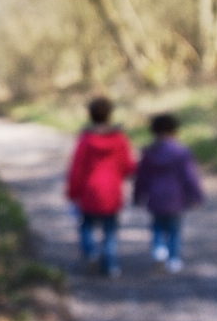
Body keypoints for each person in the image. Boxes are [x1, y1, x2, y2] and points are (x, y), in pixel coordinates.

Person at [66, 96, 136, 277]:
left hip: (89, 190)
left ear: (90, 115)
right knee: (110, 230)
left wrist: (73, 192)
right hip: (112, 191)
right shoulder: (120, 139)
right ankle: (111, 265)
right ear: (110, 114)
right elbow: (128, 166)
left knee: (86, 225)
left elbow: (77, 168)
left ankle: (90, 252)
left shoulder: (86, 140)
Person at [133, 113, 204, 274]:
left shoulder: (149, 153)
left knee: (157, 226)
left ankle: (159, 251)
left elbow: (141, 177)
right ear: (175, 130)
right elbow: (190, 176)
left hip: (155, 197)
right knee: (174, 230)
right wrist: (196, 195)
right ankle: (174, 259)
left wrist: (138, 196)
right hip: (176, 198)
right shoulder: (181, 152)